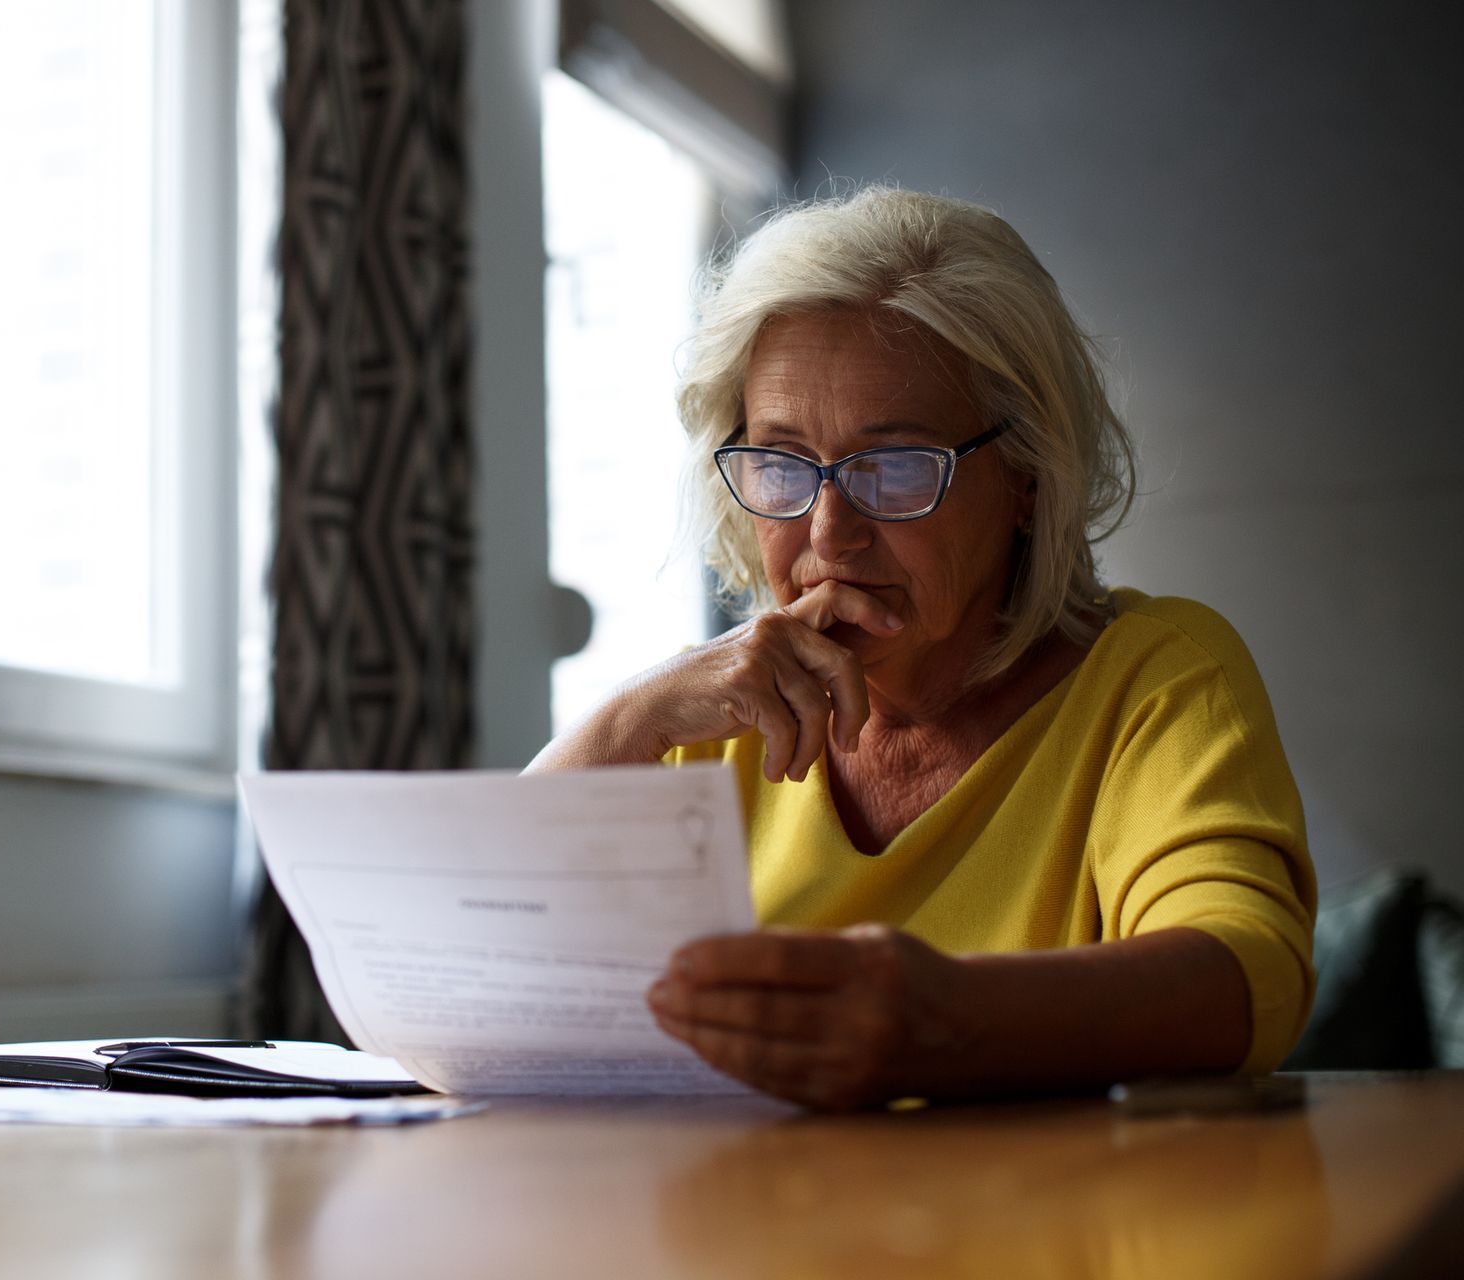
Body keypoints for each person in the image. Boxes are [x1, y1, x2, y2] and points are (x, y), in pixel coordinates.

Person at [527, 187, 1315, 1110]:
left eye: (894, 466)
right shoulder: (715, 716)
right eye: (781, 463)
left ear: (1026, 477)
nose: (830, 532)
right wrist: (633, 714)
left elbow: (1245, 979)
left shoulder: (1152, 679)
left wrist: (944, 1019)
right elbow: (465, 960)